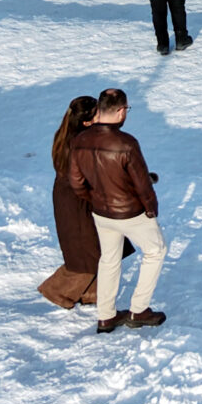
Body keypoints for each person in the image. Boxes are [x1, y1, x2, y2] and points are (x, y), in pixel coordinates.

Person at [64, 87, 166, 334]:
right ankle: (138, 310)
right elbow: (142, 184)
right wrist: (151, 208)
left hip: (101, 213)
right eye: (126, 109)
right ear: (121, 111)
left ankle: (106, 315)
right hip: (131, 213)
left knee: (109, 259)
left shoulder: (79, 141)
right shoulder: (126, 143)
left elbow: (76, 182)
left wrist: (95, 199)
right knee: (155, 251)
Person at [38, 95, 140, 309]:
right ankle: (57, 291)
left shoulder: (73, 134)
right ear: (87, 122)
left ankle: (92, 294)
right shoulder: (80, 143)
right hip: (77, 204)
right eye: (98, 115)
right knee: (88, 254)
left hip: (78, 199)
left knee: (101, 248)